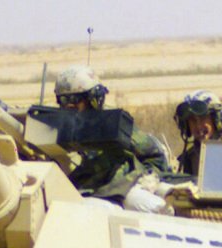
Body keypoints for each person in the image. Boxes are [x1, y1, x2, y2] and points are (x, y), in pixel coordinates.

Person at [52, 67, 174, 205]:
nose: (69, 105)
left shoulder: (113, 124)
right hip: (81, 190)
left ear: (91, 99)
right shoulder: (58, 127)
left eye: (75, 99)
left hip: (116, 189)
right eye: (63, 100)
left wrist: (147, 178)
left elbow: (154, 155)